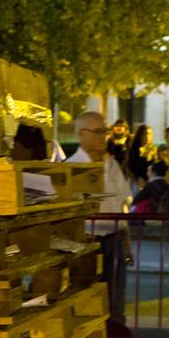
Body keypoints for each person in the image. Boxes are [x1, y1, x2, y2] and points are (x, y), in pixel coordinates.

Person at [68, 111, 132, 324]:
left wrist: (127, 242)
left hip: (113, 240)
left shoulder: (111, 164)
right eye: (97, 132)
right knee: (88, 303)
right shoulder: (71, 168)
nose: (103, 136)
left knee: (115, 303)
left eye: (105, 131)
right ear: (81, 134)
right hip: (87, 241)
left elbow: (122, 204)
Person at [124, 124, 157, 191]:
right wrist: (138, 178)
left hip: (151, 183)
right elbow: (130, 166)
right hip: (136, 183)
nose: (148, 136)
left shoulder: (154, 149)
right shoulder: (134, 149)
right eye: (145, 134)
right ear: (140, 135)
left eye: (150, 134)